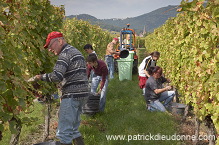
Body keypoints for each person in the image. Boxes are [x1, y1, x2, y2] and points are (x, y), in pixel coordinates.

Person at [34, 31, 89, 145]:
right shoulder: (75, 51)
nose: (49, 49)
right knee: (73, 129)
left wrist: (40, 77)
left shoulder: (64, 54)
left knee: (63, 134)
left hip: (72, 96)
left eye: (50, 45)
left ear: (59, 40)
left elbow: (56, 76)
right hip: (82, 95)